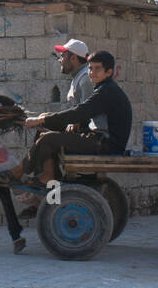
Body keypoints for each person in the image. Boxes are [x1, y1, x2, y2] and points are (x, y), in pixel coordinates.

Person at [20, 50, 132, 189]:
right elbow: (82, 114)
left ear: (108, 72)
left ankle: (20, 173)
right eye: (90, 68)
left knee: (47, 139)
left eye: (97, 69)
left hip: (105, 144)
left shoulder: (106, 91)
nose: (92, 72)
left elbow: (79, 112)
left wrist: (42, 119)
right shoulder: (104, 88)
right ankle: (51, 179)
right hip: (101, 140)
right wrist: (46, 120)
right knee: (44, 133)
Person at [54, 38, 108, 134]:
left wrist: (74, 122)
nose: (59, 60)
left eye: (62, 56)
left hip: (93, 135)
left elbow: (86, 113)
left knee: (46, 140)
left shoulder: (85, 78)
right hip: (83, 131)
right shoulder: (78, 76)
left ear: (73, 58)